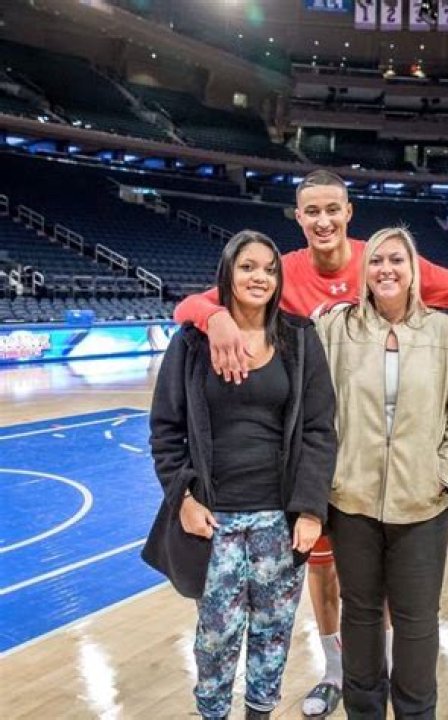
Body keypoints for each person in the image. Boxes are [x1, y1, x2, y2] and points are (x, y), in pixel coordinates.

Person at [173, 169, 448, 717]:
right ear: (298, 217)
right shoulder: (285, 274)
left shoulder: (399, 279)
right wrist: (214, 318)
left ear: (349, 213)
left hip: (412, 492)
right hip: (324, 477)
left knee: (402, 606)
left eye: (333, 209)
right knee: (330, 580)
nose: (323, 220)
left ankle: (399, 685)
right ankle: (335, 672)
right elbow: (197, 303)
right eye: (312, 211)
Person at [142, 231, 337, 720]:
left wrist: (310, 509)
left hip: (280, 520)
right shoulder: (191, 343)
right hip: (215, 521)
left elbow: (319, 430)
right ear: (227, 272)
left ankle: (259, 714)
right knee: (215, 640)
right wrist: (184, 499)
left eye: (270, 269)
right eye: (248, 266)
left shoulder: (300, 339)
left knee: (273, 636)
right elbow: (165, 431)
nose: (260, 277)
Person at [316, 226, 448, 718]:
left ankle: (415, 711)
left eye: (397, 260)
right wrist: (331, 474)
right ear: (363, 270)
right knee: (361, 614)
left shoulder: (447, 333)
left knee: (417, 620)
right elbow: (314, 406)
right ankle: (364, 710)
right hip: (351, 501)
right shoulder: (336, 328)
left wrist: (444, 473)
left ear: (413, 271)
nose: (385, 269)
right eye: (376, 260)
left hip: (423, 504)